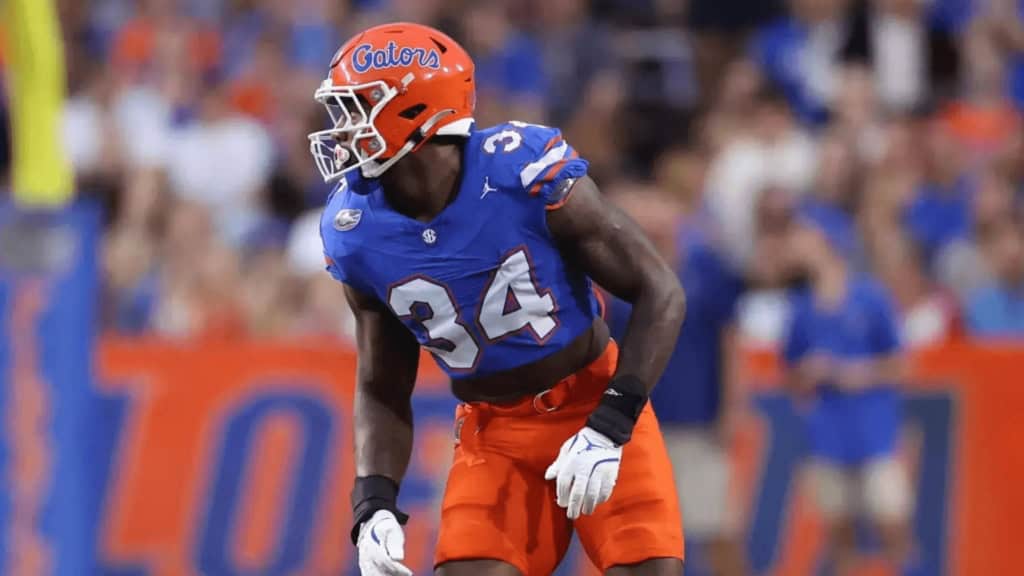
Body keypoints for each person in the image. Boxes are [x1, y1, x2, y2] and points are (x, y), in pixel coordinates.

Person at [311, 23, 687, 576]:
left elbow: (660, 290)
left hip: (592, 398)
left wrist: (612, 421)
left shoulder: (521, 171)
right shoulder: (355, 228)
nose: (342, 129)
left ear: (415, 111)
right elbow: (382, 384)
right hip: (493, 435)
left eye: (356, 109)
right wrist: (373, 502)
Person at [605, 186, 747, 576]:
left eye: (659, 202)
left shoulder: (705, 266)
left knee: (718, 528)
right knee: (639, 540)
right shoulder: (613, 269)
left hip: (696, 420)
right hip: (635, 425)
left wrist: (732, 407)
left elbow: (729, 340)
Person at [781, 215, 913, 575]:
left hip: (874, 431)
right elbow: (791, 375)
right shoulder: (801, 308)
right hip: (827, 434)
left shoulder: (870, 297)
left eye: (804, 234)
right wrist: (808, 374)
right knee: (838, 531)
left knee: (891, 522)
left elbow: (900, 364)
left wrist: (853, 372)